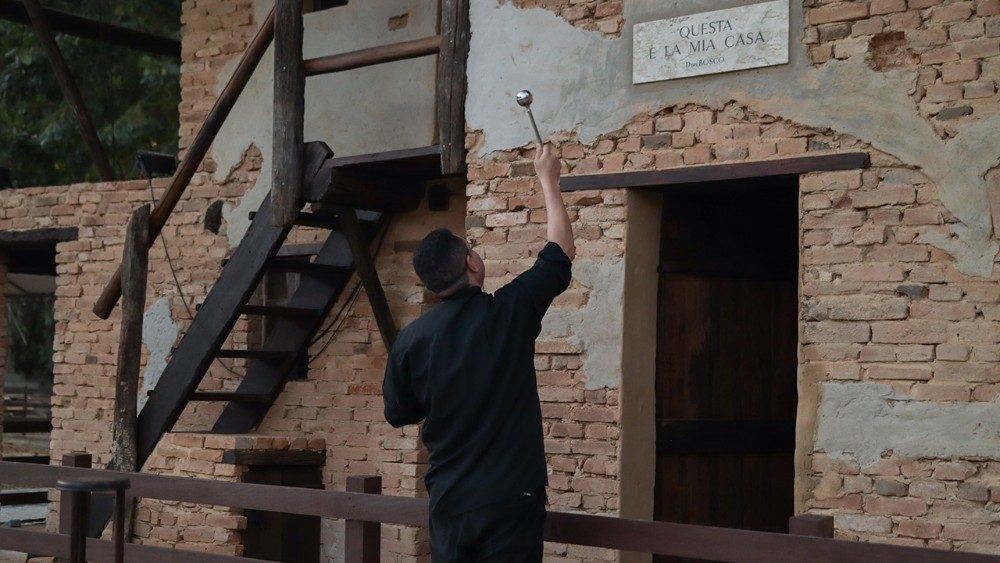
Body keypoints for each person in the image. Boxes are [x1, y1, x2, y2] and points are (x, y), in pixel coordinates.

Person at [382, 143, 575, 562]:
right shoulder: (507, 312)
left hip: (450, 500)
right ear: (471, 263)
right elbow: (559, 254)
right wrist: (548, 179)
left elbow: (400, 413)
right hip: (511, 498)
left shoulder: (410, 341)